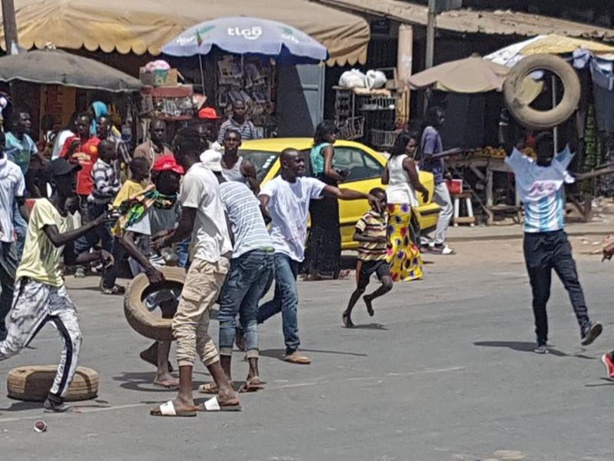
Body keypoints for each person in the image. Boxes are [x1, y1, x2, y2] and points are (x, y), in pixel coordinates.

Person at [0, 158, 114, 412]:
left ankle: (56, 397)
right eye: (66, 177)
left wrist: (97, 255)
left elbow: (71, 258)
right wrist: (95, 223)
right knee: (11, 346)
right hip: (33, 285)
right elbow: (55, 239)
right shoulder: (42, 207)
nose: (72, 181)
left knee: (74, 337)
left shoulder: (66, 216)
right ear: (53, 182)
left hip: (55, 287)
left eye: (74, 176)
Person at [257, 148, 380, 365]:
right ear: (285, 164)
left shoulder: (307, 184)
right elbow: (263, 200)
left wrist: (366, 195)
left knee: (280, 301)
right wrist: (265, 209)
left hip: (296, 249)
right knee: (291, 297)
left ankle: (243, 325)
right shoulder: (274, 185)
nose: (303, 165)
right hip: (278, 248)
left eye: (303, 161)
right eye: (298, 161)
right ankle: (292, 347)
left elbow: (339, 193)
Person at [150, 127, 239, 416]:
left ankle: (184, 397)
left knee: (183, 324)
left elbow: (187, 225)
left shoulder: (191, 178)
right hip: (218, 257)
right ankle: (225, 390)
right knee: (199, 329)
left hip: (207, 258)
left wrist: (166, 239)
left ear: (178, 149)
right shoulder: (207, 175)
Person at [501, 116, 602, 354]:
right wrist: (508, 115)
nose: (547, 150)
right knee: (541, 293)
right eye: (542, 146)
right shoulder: (523, 166)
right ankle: (542, 338)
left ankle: (585, 326)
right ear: (535, 150)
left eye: (550, 146)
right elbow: (504, 144)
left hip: (557, 237)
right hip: (534, 239)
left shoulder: (559, 164)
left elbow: (575, 143)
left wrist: (572, 113)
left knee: (572, 281)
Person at [199, 149, 274, 393]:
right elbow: (264, 215)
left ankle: (225, 376)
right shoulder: (241, 188)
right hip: (267, 248)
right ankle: (254, 372)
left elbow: (226, 232)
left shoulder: (218, 195)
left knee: (227, 314)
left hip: (247, 253)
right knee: (249, 314)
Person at [116, 155, 184, 388]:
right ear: (159, 177)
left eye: (178, 175)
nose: (177, 179)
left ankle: (156, 352)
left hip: (161, 258)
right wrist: (148, 267)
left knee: (175, 310)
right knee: (171, 310)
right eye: (172, 176)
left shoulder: (173, 201)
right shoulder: (146, 201)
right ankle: (162, 371)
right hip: (145, 259)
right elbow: (126, 238)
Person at [99, 157, 151, 292]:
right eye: (145, 169)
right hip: (123, 229)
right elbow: (118, 205)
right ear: (137, 171)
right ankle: (107, 283)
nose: (148, 171)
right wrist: (129, 203)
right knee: (117, 257)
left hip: (137, 227)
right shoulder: (128, 185)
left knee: (134, 256)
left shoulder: (142, 186)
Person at [342, 188, 392, 328]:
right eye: (380, 202)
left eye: (385, 201)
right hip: (366, 260)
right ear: (372, 203)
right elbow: (355, 236)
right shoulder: (367, 217)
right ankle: (348, 312)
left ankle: (370, 298)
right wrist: (373, 239)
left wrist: (387, 240)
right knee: (360, 289)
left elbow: (386, 230)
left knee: (388, 284)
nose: (383, 205)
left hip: (380, 258)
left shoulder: (386, 216)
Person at [382, 131, 428, 282]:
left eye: (414, 146)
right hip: (402, 202)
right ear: (404, 146)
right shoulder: (407, 161)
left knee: (406, 237)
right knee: (397, 238)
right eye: (410, 146)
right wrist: (425, 190)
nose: (412, 149)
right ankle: (383, 266)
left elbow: (384, 180)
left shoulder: (391, 160)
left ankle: (411, 271)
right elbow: (416, 182)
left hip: (390, 200)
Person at [72, 140, 120, 284]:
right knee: (109, 240)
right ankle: (107, 278)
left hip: (104, 206)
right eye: (111, 149)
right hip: (98, 207)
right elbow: (101, 187)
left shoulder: (109, 166)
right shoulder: (99, 168)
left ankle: (72, 253)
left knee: (92, 237)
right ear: (104, 152)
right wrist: (117, 190)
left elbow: (115, 183)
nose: (114, 151)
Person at [304, 120, 347, 280]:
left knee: (317, 228)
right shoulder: (328, 148)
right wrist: (341, 177)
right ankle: (332, 267)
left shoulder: (314, 149)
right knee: (331, 228)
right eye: (333, 133)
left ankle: (312, 267)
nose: (335, 136)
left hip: (315, 187)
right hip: (327, 186)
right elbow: (327, 170)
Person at [0, 132, 28, 341]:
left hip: (6, 236)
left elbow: (19, 203)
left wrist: (34, 226)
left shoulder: (14, 171)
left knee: (10, 285)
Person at [5, 110, 41, 258]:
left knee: (24, 230)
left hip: (20, 191)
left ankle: (19, 265)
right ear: (15, 122)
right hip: (5, 189)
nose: (29, 122)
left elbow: (39, 158)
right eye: (24, 120)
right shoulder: (6, 139)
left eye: (29, 119)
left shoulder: (27, 140)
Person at [420, 107, 456, 255]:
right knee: (447, 208)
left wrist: (446, 171)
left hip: (434, 175)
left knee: (430, 208)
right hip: (433, 178)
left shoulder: (429, 131)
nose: (443, 121)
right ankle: (439, 241)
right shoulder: (431, 133)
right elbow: (428, 155)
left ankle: (423, 239)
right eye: (440, 118)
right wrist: (448, 153)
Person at [60, 112, 101, 223]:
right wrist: (70, 150)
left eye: (84, 125)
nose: (81, 128)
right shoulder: (71, 141)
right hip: (71, 188)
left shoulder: (97, 143)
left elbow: (99, 165)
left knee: (85, 218)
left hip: (87, 187)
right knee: (65, 215)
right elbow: (61, 161)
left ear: (90, 125)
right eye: (79, 125)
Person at [216, 129, 259, 193]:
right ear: (223, 142)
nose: (231, 143)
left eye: (234, 140)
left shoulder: (245, 166)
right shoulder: (216, 163)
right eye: (228, 140)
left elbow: (256, 190)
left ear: (239, 143)